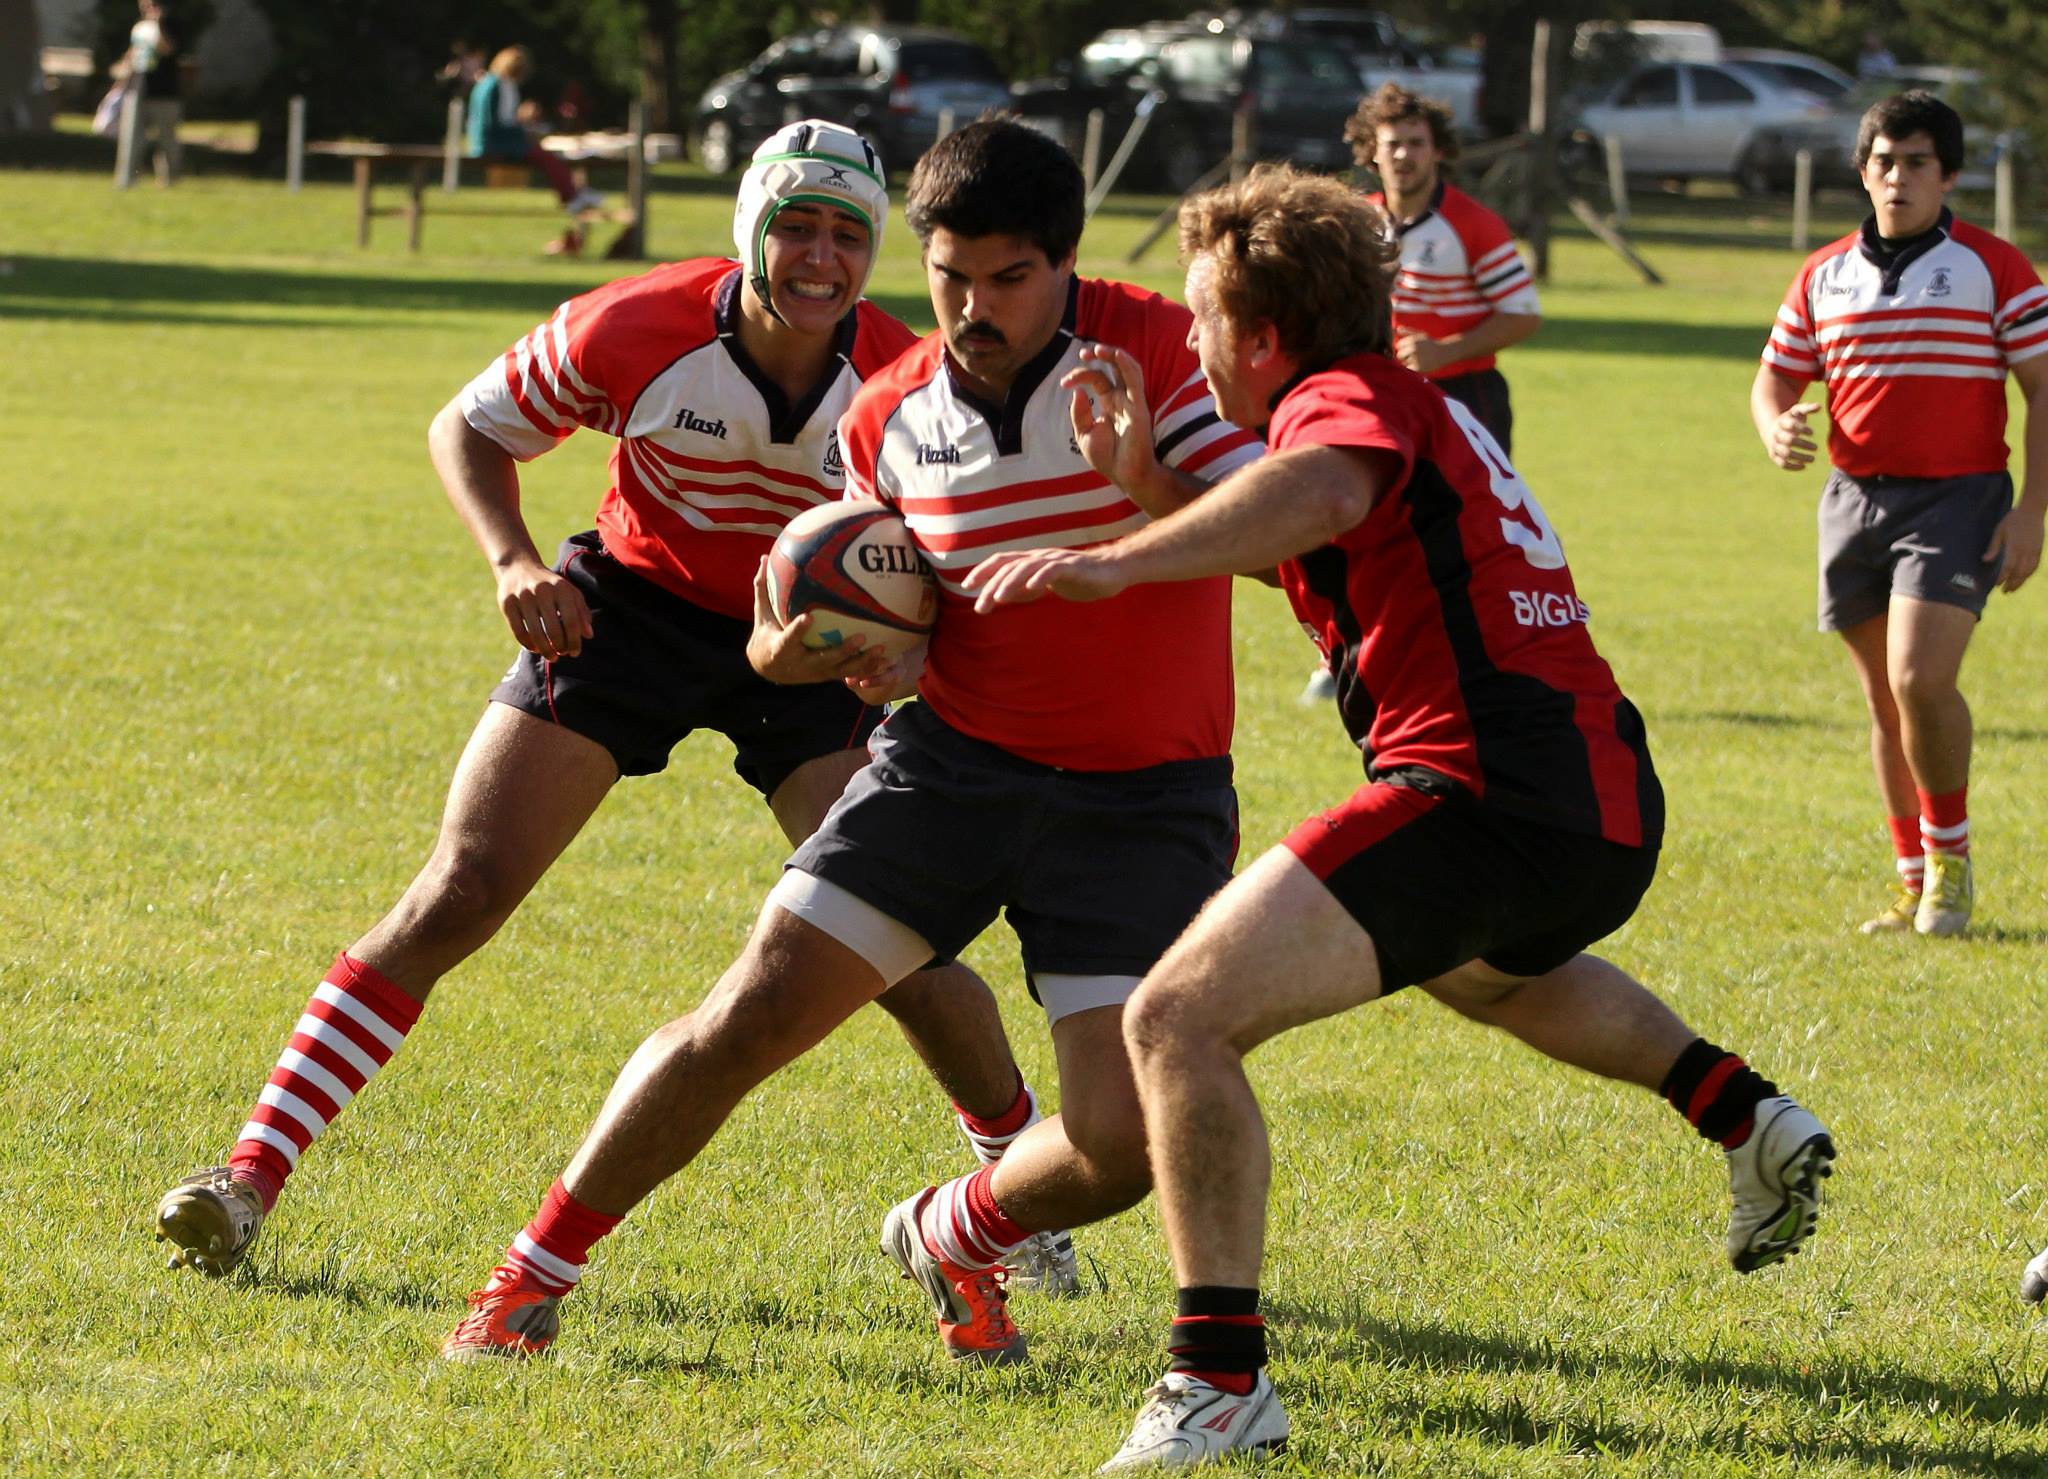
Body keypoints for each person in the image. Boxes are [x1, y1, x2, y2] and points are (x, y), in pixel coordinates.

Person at [965, 164, 1836, 1469]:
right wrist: (1150, 487)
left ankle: (1219, 1380)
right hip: (1591, 806)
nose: (1193, 343)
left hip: (1484, 787)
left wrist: (1107, 561)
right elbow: (1319, 540)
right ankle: (1745, 1113)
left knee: (1175, 1015)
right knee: (1480, 970)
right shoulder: (1402, 407)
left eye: (1205, 318)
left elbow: (1319, 497)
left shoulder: (1341, 400)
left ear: (1262, 336)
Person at [152, 121, 1064, 1297]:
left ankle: (1019, 1197)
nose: (821, 257)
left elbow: (947, 551)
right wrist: (510, 563)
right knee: (460, 889)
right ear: (751, 232)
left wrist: (903, 653)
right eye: (795, 226)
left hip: (805, 651)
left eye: (848, 234)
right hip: (624, 612)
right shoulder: (634, 325)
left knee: (903, 942)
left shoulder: (898, 376)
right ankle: (246, 1177)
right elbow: (468, 427)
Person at [435, 117, 1262, 1363]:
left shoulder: (1149, 351)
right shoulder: (885, 415)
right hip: (950, 773)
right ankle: (523, 1283)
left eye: (1007, 277)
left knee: (1117, 1147)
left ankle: (952, 1230)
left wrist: (1137, 484)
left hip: (1142, 799)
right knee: (744, 1019)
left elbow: (1260, 531)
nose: (973, 306)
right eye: (948, 277)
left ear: (1065, 263)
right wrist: (807, 648)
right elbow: (817, 629)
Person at [1751, 90, 2047, 939]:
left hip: (1958, 496)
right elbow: (1776, 376)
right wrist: (1776, 425)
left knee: (1921, 679)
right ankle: (1912, 876)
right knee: (1886, 700)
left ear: (1949, 175)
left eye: (1919, 162)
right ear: (1863, 170)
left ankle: (1950, 866)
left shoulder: (1995, 266)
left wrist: (2032, 509)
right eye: (1885, 160)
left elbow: (2043, 388)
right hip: (1853, 499)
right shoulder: (1824, 273)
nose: (1899, 177)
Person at [1302, 81, 1540, 703]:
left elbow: (1522, 313)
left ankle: (1483, 653)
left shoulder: (1473, 224)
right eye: (1392, 145)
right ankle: (1346, 655)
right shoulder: (1358, 222)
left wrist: (1446, 350)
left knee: (1468, 530)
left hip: (1467, 397)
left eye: (1416, 143)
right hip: (1380, 400)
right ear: (1369, 153)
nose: (1405, 155)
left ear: (1438, 151)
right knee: (1364, 523)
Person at [466, 46, 604, 255]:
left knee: (544, 155)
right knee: (546, 156)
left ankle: (572, 195)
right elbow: (503, 122)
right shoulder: (502, 85)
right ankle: (572, 196)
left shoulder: (488, 82)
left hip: (484, 141)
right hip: (496, 143)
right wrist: (526, 132)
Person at [123, 0, 185, 186]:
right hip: (139, 89)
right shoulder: (139, 27)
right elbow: (133, 54)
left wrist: (158, 25)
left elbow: (168, 49)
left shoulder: (172, 25)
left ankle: (169, 180)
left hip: (164, 93)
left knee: (166, 139)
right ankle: (128, 179)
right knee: (133, 138)